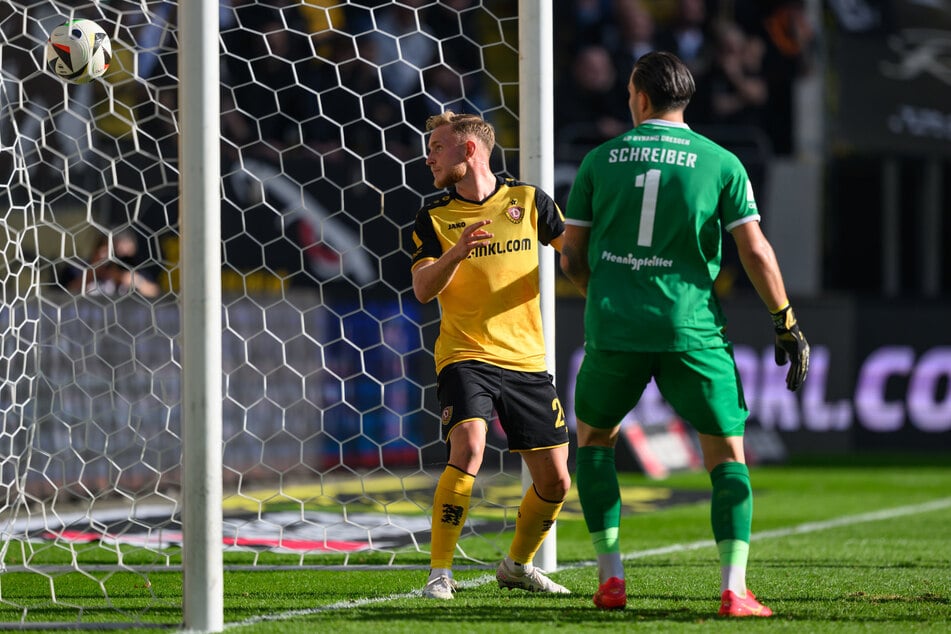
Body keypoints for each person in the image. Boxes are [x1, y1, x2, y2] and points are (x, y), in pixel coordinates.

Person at [559, 51, 809, 616]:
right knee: (727, 456)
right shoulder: (722, 162)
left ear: (640, 97)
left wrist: (607, 288)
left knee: (595, 443)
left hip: (615, 326)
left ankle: (611, 577)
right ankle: (733, 589)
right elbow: (755, 252)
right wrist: (785, 319)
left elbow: (571, 257)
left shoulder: (599, 159)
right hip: (691, 329)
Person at [410, 111, 572, 600]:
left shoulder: (528, 201)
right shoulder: (433, 215)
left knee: (557, 480)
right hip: (465, 353)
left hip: (527, 359)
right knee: (470, 446)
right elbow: (421, 288)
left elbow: (575, 254)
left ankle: (517, 566)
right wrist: (455, 253)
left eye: (437, 147)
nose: (429, 157)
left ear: (470, 149)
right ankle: (440, 573)